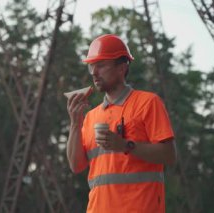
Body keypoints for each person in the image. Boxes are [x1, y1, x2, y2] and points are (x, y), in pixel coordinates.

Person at [66, 34, 176, 213]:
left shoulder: (148, 103)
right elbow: (76, 166)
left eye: (101, 65)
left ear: (122, 68)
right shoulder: (91, 116)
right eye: (92, 66)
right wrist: (74, 124)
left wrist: (125, 145)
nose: (94, 72)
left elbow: (169, 156)